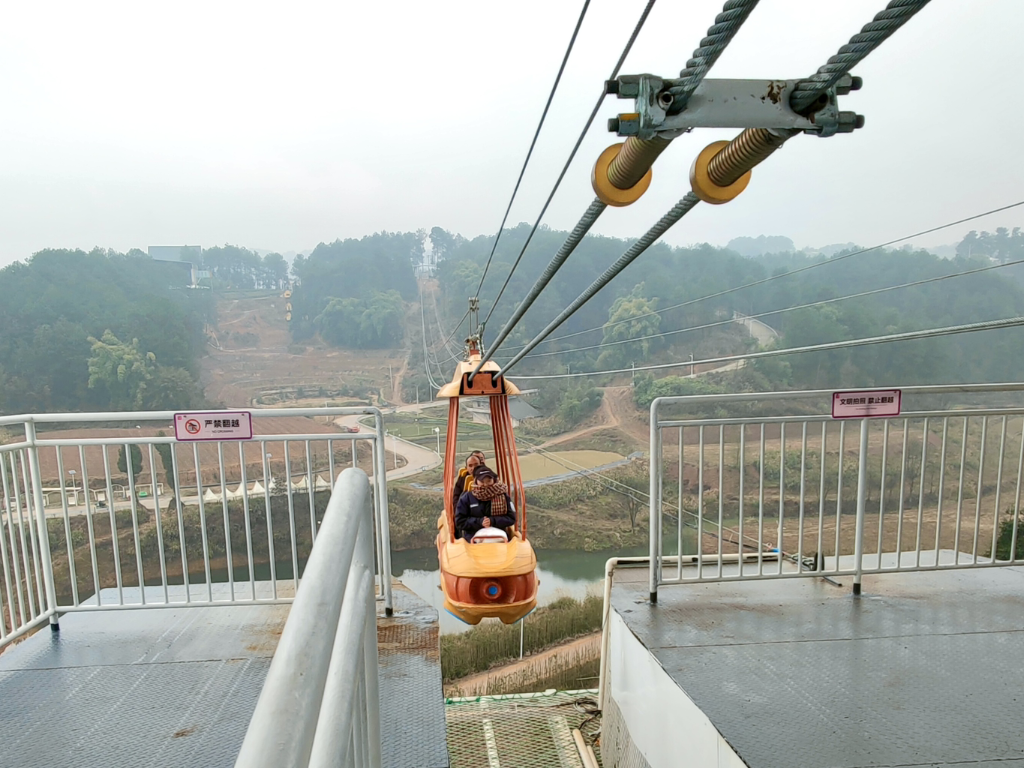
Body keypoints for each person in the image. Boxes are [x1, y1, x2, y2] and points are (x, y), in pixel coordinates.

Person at [455, 465, 516, 542]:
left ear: (494, 480)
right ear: (476, 481)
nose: (486, 484)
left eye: (489, 481)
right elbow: (460, 521)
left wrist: (492, 521)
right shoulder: (466, 498)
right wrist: (480, 522)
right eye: (482, 481)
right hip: (473, 538)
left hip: (499, 536)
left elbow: (511, 518)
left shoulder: (503, 496)